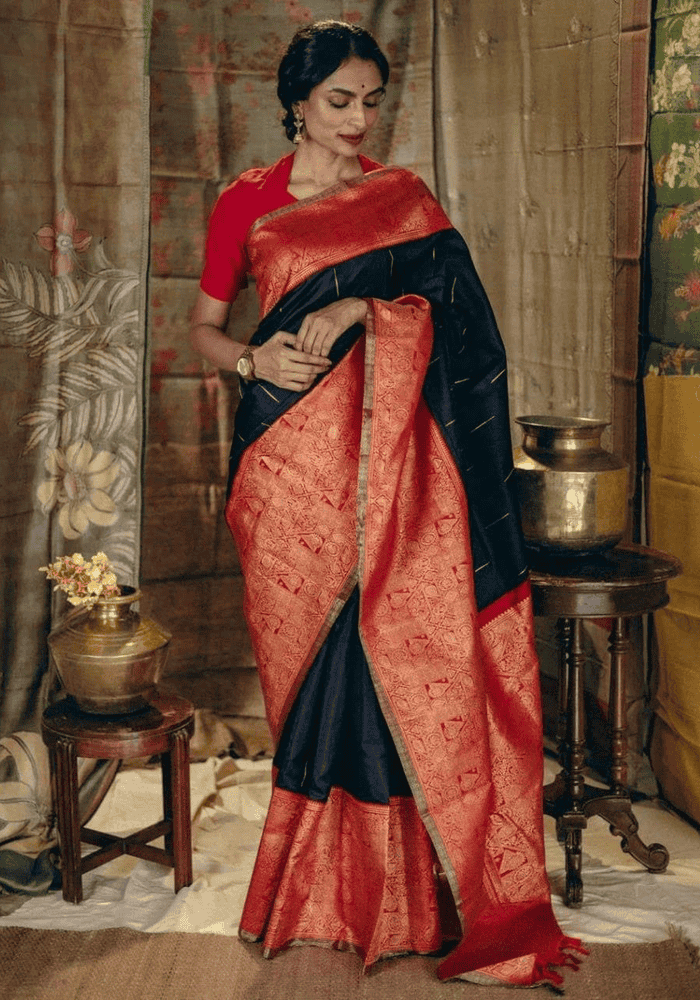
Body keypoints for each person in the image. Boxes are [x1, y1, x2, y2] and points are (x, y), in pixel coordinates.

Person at [190, 20, 584, 989]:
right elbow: (203, 329)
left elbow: (467, 329)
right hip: (288, 471)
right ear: (297, 102)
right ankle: (315, 890)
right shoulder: (245, 202)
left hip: (403, 476)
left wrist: (362, 309)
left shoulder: (402, 200)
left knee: (393, 661)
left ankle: (407, 897)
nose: (358, 120)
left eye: (371, 101)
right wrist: (250, 360)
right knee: (315, 672)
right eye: (339, 101)